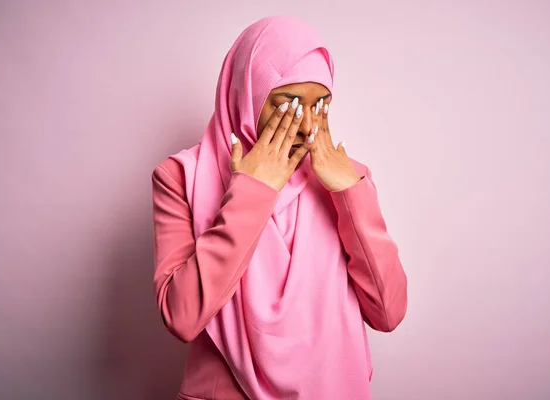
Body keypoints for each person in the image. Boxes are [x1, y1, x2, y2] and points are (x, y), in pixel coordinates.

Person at [151, 15, 408, 400]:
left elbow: (388, 314)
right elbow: (182, 317)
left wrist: (351, 194)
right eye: (287, 106)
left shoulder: (345, 179)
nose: (306, 128)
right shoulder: (180, 176)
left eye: (320, 105)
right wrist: (252, 193)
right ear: (246, 94)